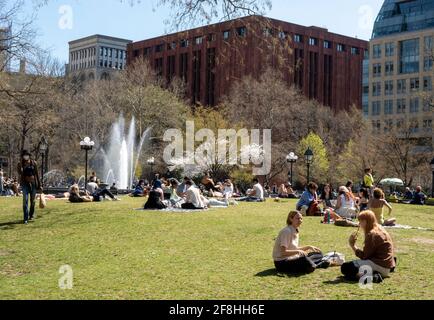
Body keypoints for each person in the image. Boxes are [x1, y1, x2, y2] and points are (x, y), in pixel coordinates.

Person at [341, 210, 396, 283]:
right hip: (387, 266)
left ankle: (372, 277)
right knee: (351, 268)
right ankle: (373, 274)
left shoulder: (372, 234)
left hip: (379, 265)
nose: (359, 224)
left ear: (366, 221)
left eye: (361, 221)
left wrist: (353, 245)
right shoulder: (380, 228)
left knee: (346, 267)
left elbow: (365, 256)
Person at [17, 150, 42, 224]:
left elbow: (37, 174)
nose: (26, 156)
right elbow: (19, 173)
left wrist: (39, 185)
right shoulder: (20, 164)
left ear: (29, 155)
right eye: (24, 155)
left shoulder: (34, 163)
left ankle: (31, 214)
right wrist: (21, 166)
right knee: (25, 200)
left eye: (27, 155)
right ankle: (25, 218)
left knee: (33, 201)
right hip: (25, 183)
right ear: (22, 156)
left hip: (33, 183)